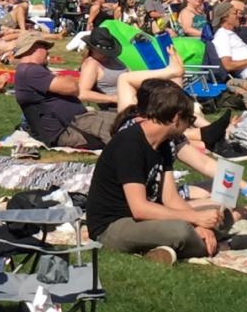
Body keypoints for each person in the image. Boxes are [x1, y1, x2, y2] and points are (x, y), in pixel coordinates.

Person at [83, 79, 234, 265]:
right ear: (177, 118)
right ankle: (212, 245)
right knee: (182, 231)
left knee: (219, 217)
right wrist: (194, 219)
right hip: (113, 225)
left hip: (144, 219)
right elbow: (140, 209)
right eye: (190, 120)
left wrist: (200, 223)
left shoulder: (163, 143)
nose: (189, 126)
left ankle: (168, 249)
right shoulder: (130, 143)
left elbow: (171, 198)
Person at [11, 35, 119, 148]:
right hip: (68, 129)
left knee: (123, 121)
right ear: (34, 48)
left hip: (77, 121)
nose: (47, 52)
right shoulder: (30, 71)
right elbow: (72, 87)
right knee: (120, 128)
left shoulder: (30, 70)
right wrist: (69, 81)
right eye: (44, 47)